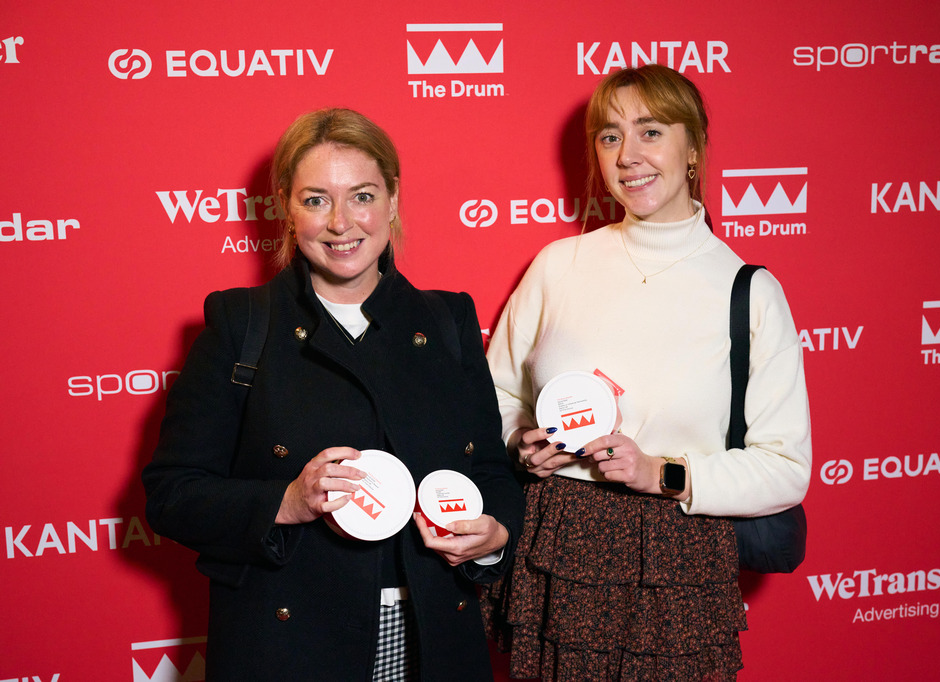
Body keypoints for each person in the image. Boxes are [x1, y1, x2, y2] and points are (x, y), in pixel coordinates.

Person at [143, 108, 524, 681]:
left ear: (393, 200)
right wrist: (286, 501)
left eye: (362, 196)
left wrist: (494, 536)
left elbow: (491, 472)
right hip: (290, 647)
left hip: (433, 638)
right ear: (286, 208)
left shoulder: (449, 321)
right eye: (316, 200)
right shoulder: (241, 323)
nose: (341, 223)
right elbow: (172, 494)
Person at [483, 64, 812, 680]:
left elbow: (785, 469)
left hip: (677, 560)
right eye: (610, 136)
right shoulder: (558, 265)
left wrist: (660, 472)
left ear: (694, 149)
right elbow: (494, 393)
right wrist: (518, 442)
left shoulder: (748, 292)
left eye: (651, 132)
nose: (627, 155)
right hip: (559, 547)